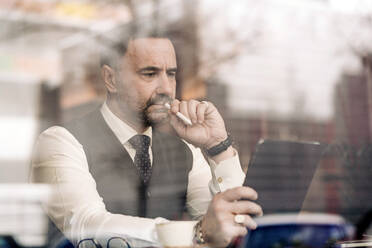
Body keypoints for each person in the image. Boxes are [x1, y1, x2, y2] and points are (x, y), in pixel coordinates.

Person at [31, 34, 262, 247]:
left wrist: (217, 146)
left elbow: (231, 229)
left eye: (170, 74)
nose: (166, 89)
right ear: (111, 79)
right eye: (149, 74)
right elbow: (87, 225)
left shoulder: (185, 151)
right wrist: (197, 233)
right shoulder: (61, 141)